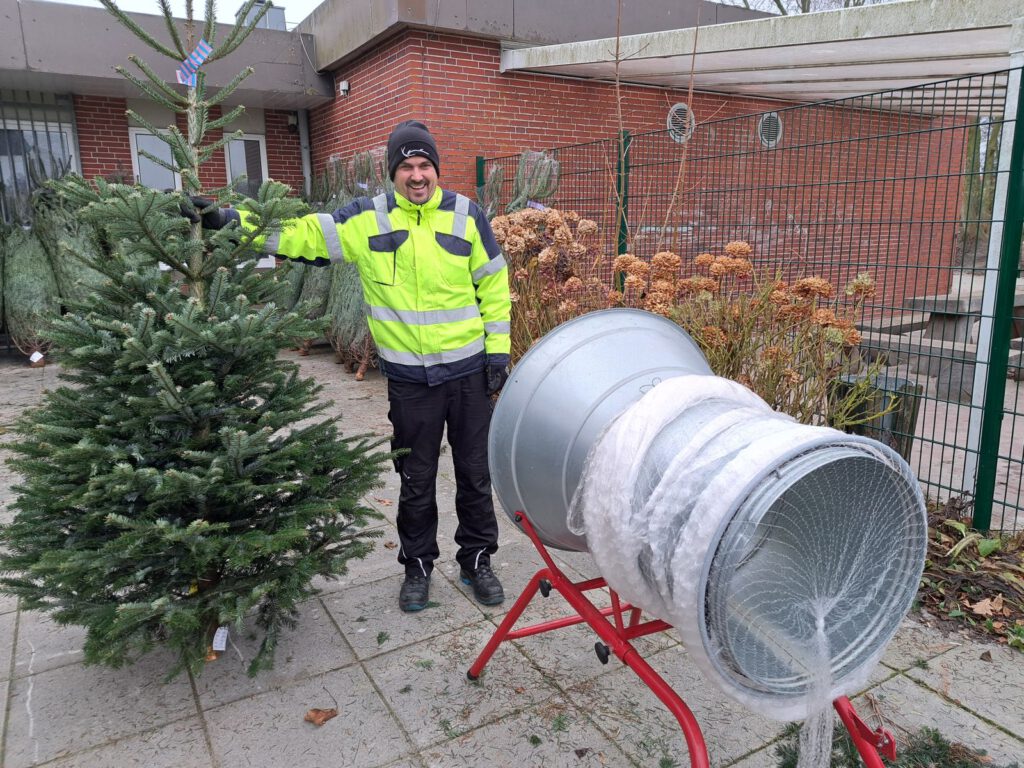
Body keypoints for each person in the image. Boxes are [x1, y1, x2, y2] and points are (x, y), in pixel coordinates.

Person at [201, 120, 511, 613]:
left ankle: (477, 560)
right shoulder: (366, 219)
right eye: (406, 166)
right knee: (415, 478)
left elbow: (494, 288)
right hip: (411, 381)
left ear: (436, 169)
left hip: (469, 374)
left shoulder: (467, 217)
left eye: (424, 165)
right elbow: (303, 234)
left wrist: (498, 352)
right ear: (393, 173)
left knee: (475, 474)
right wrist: (232, 220)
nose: (416, 175)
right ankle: (418, 567)